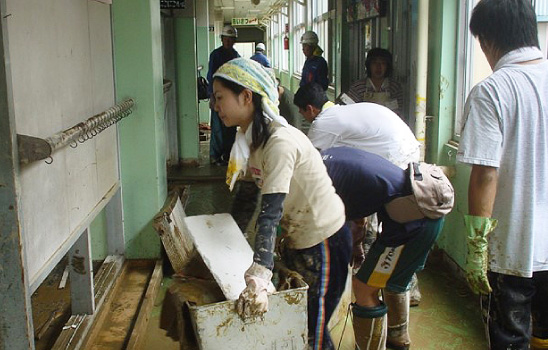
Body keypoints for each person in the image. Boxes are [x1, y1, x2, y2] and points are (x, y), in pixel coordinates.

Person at [211, 58, 352, 349]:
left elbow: (270, 211)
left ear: (246, 96)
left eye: (220, 97)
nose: (215, 106)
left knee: (311, 328)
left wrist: (260, 273)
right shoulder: (249, 140)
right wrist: (224, 248)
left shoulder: (280, 143)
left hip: (324, 241)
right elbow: (248, 198)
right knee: (293, 322)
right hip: (296, 238)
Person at [457, 1, 548, 349]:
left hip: (514, 248)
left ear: (487, 40)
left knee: (511, 339)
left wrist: (478, 247)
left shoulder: (492, 90)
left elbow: (485, 175)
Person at [321, 147, 446, 350]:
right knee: (392, 282)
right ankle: (398, 340)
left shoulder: (321, 177)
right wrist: (356, 246)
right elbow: (357, 217)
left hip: (413, 223)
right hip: (427, 215)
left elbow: (344, 223)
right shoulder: (331, 158)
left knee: (363, 288)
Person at [294, 82, 419, 169]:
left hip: (400, 160)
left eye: (301, 110)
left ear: (310, 109)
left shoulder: (323, 123)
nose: (300, 114)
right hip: (410, 149)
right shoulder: (340, 111)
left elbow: (304, 160)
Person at [207, 24, 240, 165]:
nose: (228, 41)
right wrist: (212, 97)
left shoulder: (236, 56)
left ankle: (227, 155)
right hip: (218, 95)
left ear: (234, 41)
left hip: (231, 97)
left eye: (231, 39)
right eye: (226, 38)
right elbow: (211, 77)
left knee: (230, 127)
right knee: (217, 127)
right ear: (222, 39)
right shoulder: (216, 55)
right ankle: (215, 156)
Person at [345, 48, 405, 121]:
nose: (378, 67)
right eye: (374, 63)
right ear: (369, 65)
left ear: (387, 66)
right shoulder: (358, 87)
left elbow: (398, 112)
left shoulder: (394, 87)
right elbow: (349, 111)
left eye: (383, 63)